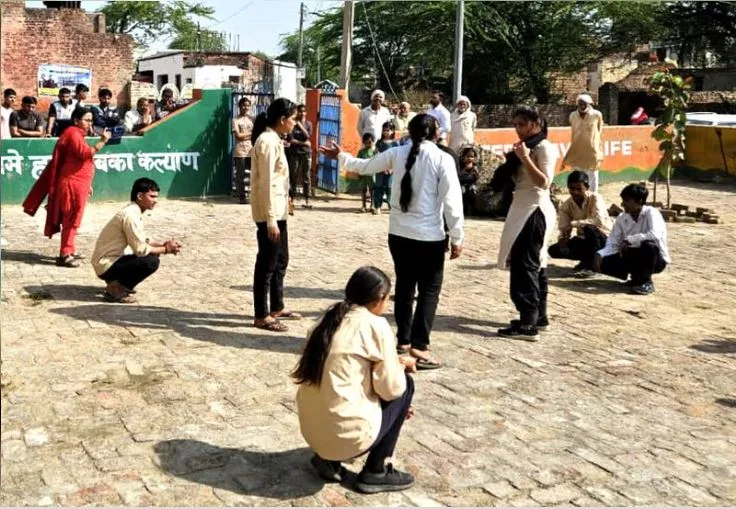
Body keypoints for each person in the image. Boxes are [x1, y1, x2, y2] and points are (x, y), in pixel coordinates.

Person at [320, 114, 464, 370]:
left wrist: (341, 156)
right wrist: (457, 236)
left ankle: (404, 341)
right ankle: (420, 345)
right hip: (429, 236)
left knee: (405, 287)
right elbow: (452, 201)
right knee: (429, 291)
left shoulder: (398, 153)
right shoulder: (442, 158)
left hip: (399, 234)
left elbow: (364, 166)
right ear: (436, 133)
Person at [294, 266, 417, 494]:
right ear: (380, 298)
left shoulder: (325, 321)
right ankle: (376, 470)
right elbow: (391, 389)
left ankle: (327, 459)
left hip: (312, 432)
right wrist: (400, 369)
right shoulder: (375, 325)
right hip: (348, 435)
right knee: (405, 385)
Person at [22, 106, 112, 267]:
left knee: (74, 218)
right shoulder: (72, 133)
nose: (89, 123)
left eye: (91, 120)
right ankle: (65, 254)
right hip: (71, 184)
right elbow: (85, 154)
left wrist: (88, 184)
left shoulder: (78, 134)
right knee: (71, 218)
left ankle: (70, 249)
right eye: (86, 120)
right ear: (76, 120)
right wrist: (103, 141)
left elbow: (83, 162)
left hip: (80, 184)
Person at [496, 106, 557, 342]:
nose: (518, 129)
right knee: (534, 263)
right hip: (521, 206)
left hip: (534, 209)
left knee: (526, 265)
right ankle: (538, 316)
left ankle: (528, 322)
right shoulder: (527, 147)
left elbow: (544, 181)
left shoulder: (543, 148)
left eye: (522, 124)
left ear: (535, 123)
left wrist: (524, 158)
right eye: (515, 125)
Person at [250, 98, 302, 332]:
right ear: (282, 119)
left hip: (279, 210)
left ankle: (277, 306)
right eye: (293, 119)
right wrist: (271, 219)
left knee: (281, 260)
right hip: (269, 213)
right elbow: (266, 183)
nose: (295, 123)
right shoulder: (266, 142)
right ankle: (261, 314)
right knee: (267, 264)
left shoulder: (275, 140)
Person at [91, 178, 182, 303]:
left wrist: (163, 245)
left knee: (153, 254)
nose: (155, 201)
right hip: (105, 264)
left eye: (156, 197)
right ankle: (116, 289)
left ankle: (116, 283)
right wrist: (166, 249)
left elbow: (143, 239)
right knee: (151, 261)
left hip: (108, 261)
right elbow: (140, 249)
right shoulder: (130, 215)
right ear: (139, 196)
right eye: (152, 196)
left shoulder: (133, 211)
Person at [593, 183, 670, 295]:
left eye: (627, 200)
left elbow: (655, 234)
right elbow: (613, 241)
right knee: (603, 260)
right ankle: (636, 278)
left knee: (648, 245)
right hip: (632, 255)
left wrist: (630, 240)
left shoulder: (651, 213)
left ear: (639, 201)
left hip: (656, 260)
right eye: (623, 200)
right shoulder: (622, 217)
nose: (623, 204)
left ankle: (646, 282)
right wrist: (600, 254)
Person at [548, 170, 612, 277]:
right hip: (584, 239)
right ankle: (587, 260)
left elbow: (598, 220)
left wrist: (575, 223)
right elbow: (564, 227)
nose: (575, 192)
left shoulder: (595, 198)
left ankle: (593, 267)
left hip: (604, 239)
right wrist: (563, 238)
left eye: (579, 189)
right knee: (554, 250)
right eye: (572, 189)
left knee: (589, 228)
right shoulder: (567, 205)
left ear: (587, 187)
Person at [562, 93, 604, 193]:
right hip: (576, 151)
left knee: (592, 177)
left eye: (584, 104)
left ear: (589, 104)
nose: (582, 106)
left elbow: (599, 130)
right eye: (580, 103)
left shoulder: (596, 114)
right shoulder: (572, 115)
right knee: (576, 177)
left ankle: (593, 197)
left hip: (592, 151)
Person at [287, 104, 314, 210]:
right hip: (295, 153)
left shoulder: (308, 124)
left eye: (303, 111)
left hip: (306, 153)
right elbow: (292, 140)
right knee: (293, 175)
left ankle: (307, 199)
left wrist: (300, 125)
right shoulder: (292, 124)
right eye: (300, 111)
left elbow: (308, 135)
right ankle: (291, 199)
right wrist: (303, 143)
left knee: (306, 176)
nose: (302, 113)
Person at [232, 97, 254, 204]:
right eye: (244, 105)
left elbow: (256, 133)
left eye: (248, 105)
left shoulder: (252, 119)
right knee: (240, 175)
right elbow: (238, 136)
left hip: (251, 150)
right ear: (240, 106)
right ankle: (242, 197)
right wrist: (251, 134)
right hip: (240, 150)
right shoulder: (235, 120)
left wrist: (245, 135)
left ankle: (253, 195)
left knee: (255, 173)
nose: (246, 107)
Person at [373, 121, 398, 215]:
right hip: (380, 168)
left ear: (393, 131)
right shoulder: (379, 143)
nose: (386, 132)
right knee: (379, 187)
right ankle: (377, 206)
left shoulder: (395, 144)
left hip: (391, 170)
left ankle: (391, 207)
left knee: (389, 188)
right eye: (384, 130)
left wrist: (391, 168)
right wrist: (382, 167)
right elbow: (376, 155)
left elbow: (396, 157)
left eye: (388, 130)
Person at [357, 133, 377, 213]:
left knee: (372, 190)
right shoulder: (361, 152)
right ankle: (363, 205)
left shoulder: (375, 151)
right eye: (366, 142)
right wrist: (358, 172)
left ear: (373, 141)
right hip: (363, 174)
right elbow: (358, 162)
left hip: (371, 174)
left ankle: (373, 205)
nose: (368, 143)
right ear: (363, 142)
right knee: (363, 190)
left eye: (370, 142)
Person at [458, 147, 480, 216]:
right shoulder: (460, 166)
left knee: (472, 194)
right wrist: (464, 169)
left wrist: (475, 170)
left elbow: (477, 177)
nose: (469, 159)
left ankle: (473, 210)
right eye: (468, 156)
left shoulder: (475, 166)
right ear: (463, 157)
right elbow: (459, 176)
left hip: (471, 185)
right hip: (462, 185)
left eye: (472, 157)